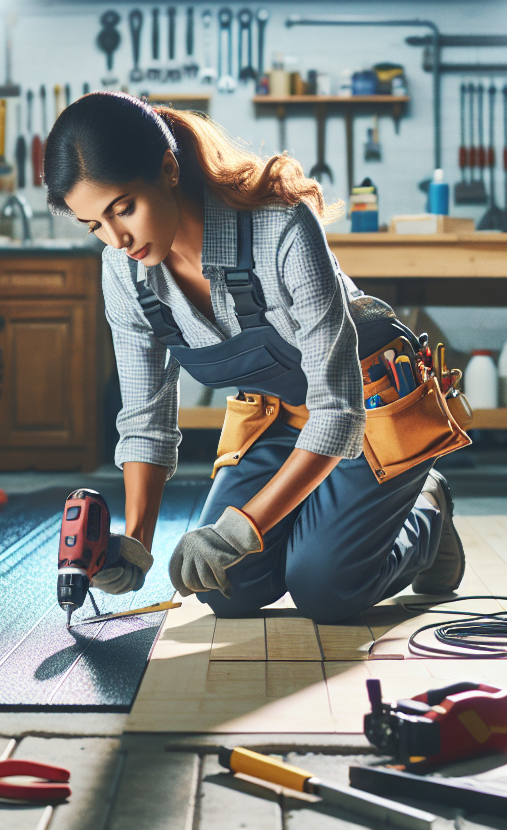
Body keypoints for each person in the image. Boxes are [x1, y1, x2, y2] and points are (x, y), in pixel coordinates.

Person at [43, 91, 466, 623]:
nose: (117, 237)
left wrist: (242, 528)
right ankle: (333, 519)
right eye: (95, 225)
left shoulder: (280, 228)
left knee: (324, 586)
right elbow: (145, 421)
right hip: (281, 412)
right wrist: (137, 543)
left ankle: (427, 509)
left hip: (372, 401)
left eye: (123, 207)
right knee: (224, 586)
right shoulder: (124, 273)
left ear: (167, 169)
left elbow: (338, 412)